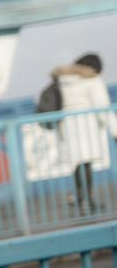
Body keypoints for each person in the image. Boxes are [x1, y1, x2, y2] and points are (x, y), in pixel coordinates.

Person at [38, 51, 111, 211]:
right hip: (87, 128)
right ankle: (87, 199)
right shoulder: (92, 80)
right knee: (86, 164)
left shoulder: (63, 79)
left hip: (68, 128)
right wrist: (114, 129)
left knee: (79, 165)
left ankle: (80, 197)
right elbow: (102, 107)